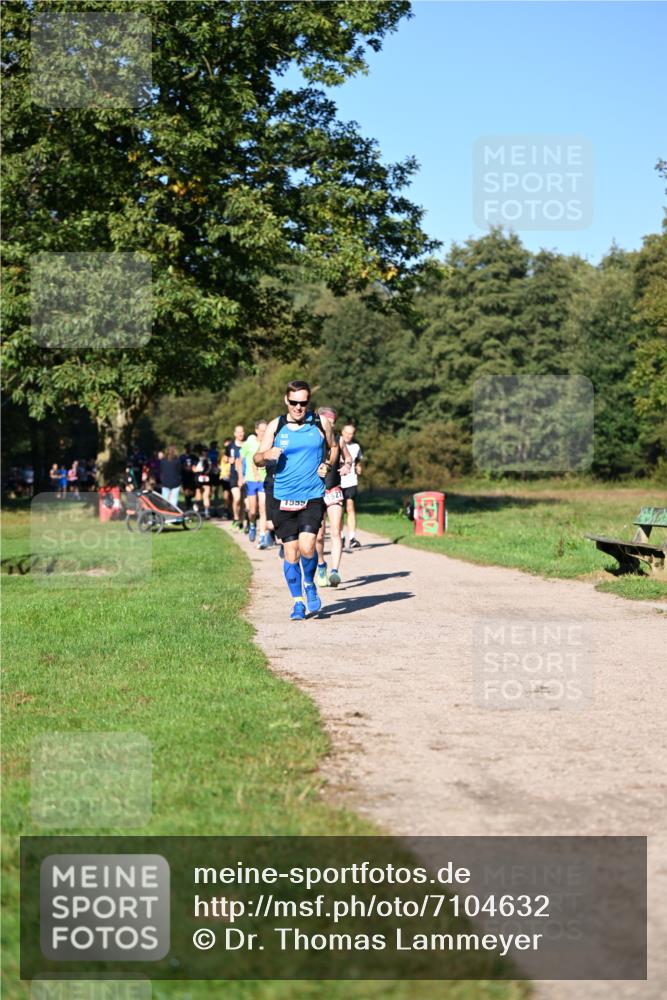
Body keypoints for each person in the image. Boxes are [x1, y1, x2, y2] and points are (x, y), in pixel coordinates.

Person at [255, 380, 337, 620]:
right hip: (282, 496)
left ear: (308, 402)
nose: (298, 407)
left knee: (308, 546)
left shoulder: (319, 423)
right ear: (286, 400)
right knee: (291, 553)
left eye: (303, 403)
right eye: (294, 403)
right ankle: (298, 602)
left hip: (312, 495)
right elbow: (257, 459)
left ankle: (309, 583)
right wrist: (266, 455)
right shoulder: (276, 426)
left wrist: (327, 464)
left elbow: (332, 447)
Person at [314, 406, 354, 588]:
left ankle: (335, 572)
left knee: (336, 531)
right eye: (326, 420)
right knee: (319, 535)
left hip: (333, 488)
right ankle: (321, 565)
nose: (329, 423)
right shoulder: (312, 439)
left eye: (332, 421)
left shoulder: (339, 440)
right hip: (315, 491)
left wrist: (346, 466)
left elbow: (348, 458)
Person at [239, 420, 268, 545]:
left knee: (263, 508)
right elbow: (239, 460)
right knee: (252, 511)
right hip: (251, 480)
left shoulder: (269, 443)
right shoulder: (249, 443)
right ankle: (252, 524)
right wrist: (241, 477)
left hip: (264, 480)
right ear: (256, 431)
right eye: (262, 431)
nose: (264, 433)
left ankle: (262, 536)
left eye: (266, 430)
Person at [340, 423, 363, 550]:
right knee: (339, 511)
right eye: (347, 433)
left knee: (350, 507)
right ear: (342, 432)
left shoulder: (356, 447)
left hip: (351, 482)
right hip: (337, 482)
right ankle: (341, 536)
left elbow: (358, 460)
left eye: (351, 433)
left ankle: (352, 538)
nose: (349, 435)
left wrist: (358, 467)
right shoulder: (336, 443)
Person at [226, 425, 245, 528]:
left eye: (242, 432)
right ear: (234, 434)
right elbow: (225, 458)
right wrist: (229, 460)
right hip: (234, 475)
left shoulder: (247, 445)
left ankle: (241, 521)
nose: (240, 434)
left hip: (244, 475)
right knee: (237, 498)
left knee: (243, 501)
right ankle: (236, 517)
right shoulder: (230, 446)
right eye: (238, 432)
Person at [193, 445, 212, 519]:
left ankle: (204, 512)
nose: (205, 453)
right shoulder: (199, 459)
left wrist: (199, 470)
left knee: (204, 496)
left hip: (203, 478)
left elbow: (194, 469)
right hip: (201, 478)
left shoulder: (207, 460)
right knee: (200, 496)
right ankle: (200, 511)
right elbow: (194, 469)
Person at [219, 437, 233, 519]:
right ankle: (226, 510)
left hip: (232, 475)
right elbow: (224, 459)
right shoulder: (222, 452)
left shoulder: (233, 451)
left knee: (232, 495)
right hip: (225, 475)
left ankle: (231, 511)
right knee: (226, 494)